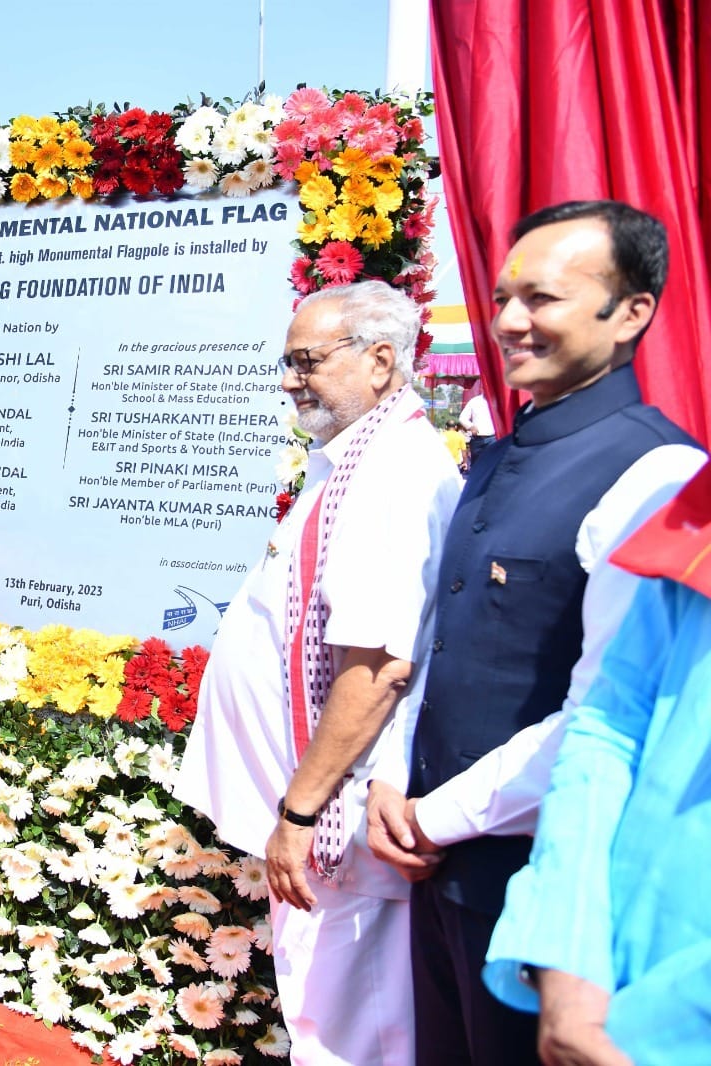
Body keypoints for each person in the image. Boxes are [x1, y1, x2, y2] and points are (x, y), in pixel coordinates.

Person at [367, 200, 701, 1066]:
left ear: (631, 313)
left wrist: (436, 815)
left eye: (544, 299)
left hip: (543, 901)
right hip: (433, 866)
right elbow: (438, 637)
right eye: (504, 296)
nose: (511, 320)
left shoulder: (656, 473)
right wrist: (390, 778)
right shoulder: (500, 453)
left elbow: (608, 712)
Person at [172, 280, 463, 1064]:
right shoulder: (355, 460)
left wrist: (299, 816)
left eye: (306, 361)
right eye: (286, 360)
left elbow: (374, 668)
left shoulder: (391, 476)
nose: (288, 379)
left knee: (352, 1031)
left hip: (340, 819)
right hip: (323, 808)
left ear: (379, 361)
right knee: (325, 1012)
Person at [483, 462, 711, 1062]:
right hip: (601, 985)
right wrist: (567, 955)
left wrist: (640, 1029)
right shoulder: (699, 505)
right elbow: (612, 722)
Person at [458, 388, 495, 460]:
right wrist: (471, 426)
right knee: (476, 465)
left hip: (493, 438)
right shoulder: (474, 401)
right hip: (477, 440)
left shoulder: (498, 400)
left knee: (492, 464)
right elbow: (462, 418)